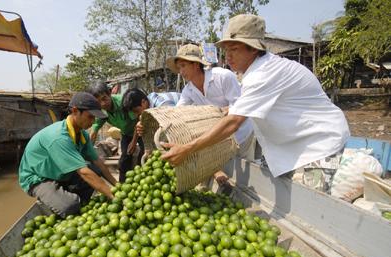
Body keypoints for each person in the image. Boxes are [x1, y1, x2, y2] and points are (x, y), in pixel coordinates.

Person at [162, 14, 350, 193]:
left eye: (234, 49)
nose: (228, 56)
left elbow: (234, 122)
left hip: (319, 142)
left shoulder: (264, 73)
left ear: (254, 49)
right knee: (279, 188)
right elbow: (237, 108)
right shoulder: (253, 73)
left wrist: (187, 149)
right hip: (286, 143)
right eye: (226, 50)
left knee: (311, 203)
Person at [166, 43, 255, 185]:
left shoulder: (222, 77)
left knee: (245, 176)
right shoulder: (188, 90)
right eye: (179, 67)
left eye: (183, 65)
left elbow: (242, 107)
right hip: (219, 137)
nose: (181, 72)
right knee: (226, 173)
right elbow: (176, 113)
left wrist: (225, 110)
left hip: (241, 133)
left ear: (196, 64)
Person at [18, 92, 117, 218]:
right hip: (39, 178)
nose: (93, 122)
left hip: (59, 172)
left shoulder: (83, 135)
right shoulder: (59, 137)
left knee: (95, 170)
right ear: (75, 111)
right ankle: (65, 201)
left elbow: (98, 162)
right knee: (70, 206)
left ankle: (72, 200)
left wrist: (116, 186)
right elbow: (84, 172)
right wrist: (113, 196)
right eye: (90, 117)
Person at [87, 81, 141, 182]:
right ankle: (122, 185)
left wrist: (134, 142)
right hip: (125, 134)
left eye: (104, 98)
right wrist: (89, 151)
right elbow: (94, 131)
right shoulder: (101, 111)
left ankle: (141, 181)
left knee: (142, 156)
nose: (103, 104)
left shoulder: (124, 102)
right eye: (98, 101)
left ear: (110, 93)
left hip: (140, 130)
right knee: (124, 161)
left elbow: (137, 121)